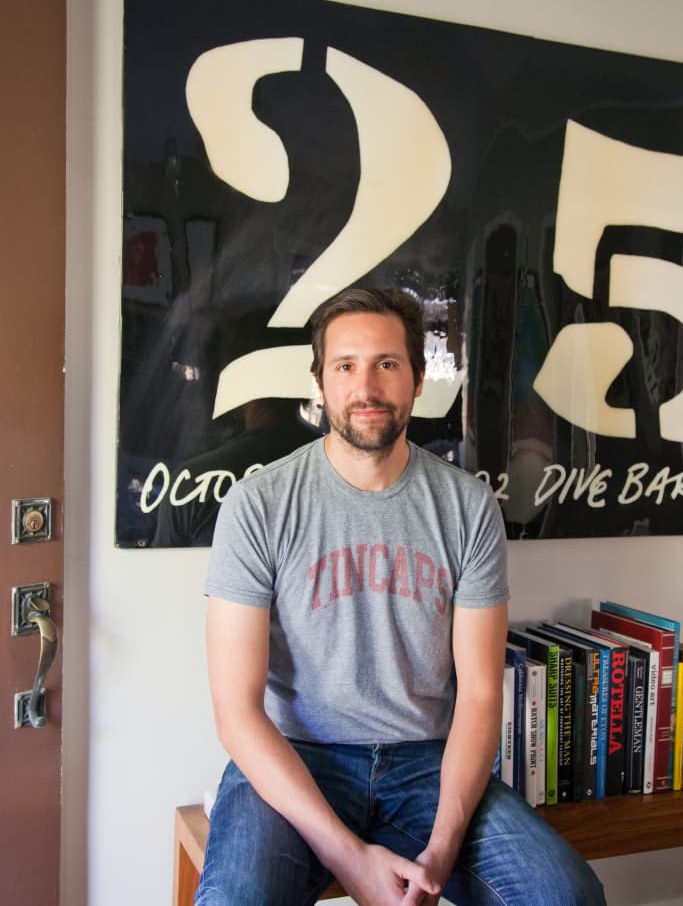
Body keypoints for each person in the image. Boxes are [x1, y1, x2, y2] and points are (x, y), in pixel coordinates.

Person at [196, 287, 606, 906]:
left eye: (387, 364)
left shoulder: (466, 507)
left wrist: (440, 852)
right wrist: (349, 857)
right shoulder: (259, 506)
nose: (367, 386)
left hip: (426, 763)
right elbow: (238, 713)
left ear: (418, 380)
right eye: (346, 366)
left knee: (565, 895)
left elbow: (481, 693)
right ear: (321, 383)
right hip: (297, 762)